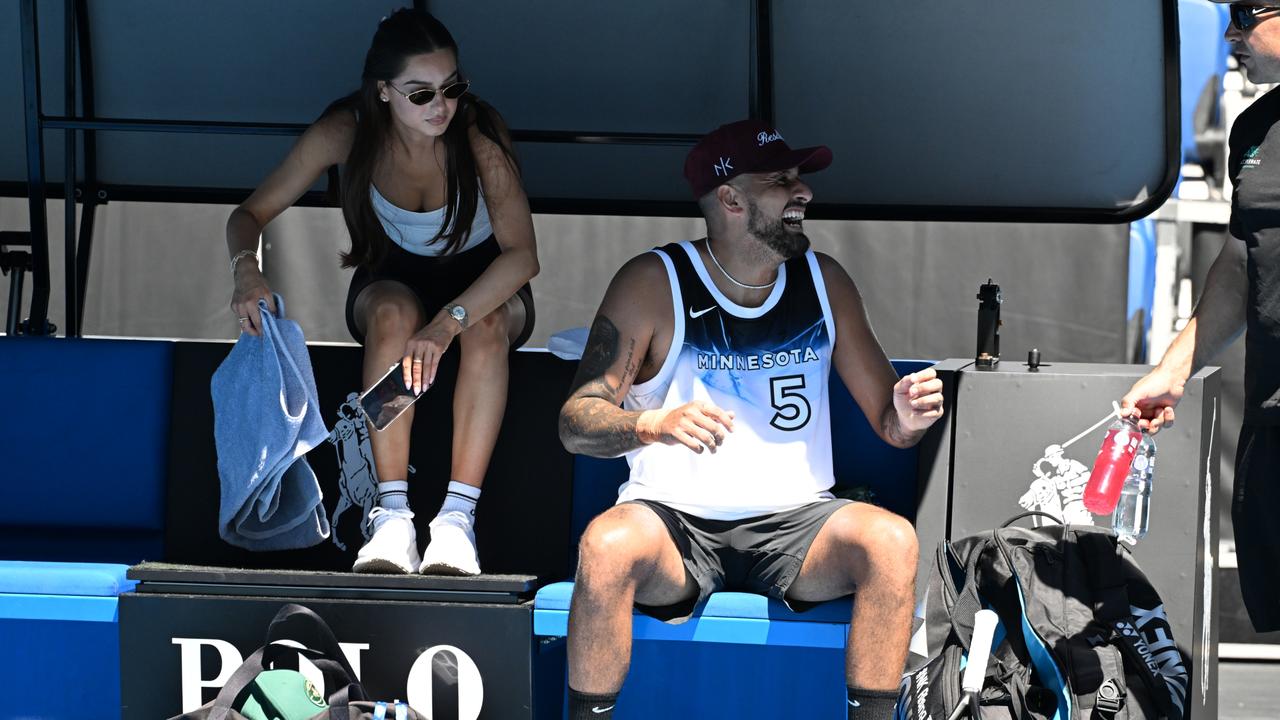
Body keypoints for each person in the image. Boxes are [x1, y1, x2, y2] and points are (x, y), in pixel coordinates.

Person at [557, 119, 945, 720]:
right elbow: (577, 421)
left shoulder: (825, 281)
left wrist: (907, 415)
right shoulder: (654, 280)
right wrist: (650, 425)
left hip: (798, 523)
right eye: (781, 180)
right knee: (605, 548)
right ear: (731, 199)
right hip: (673, 523)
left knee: (891, 542)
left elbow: (892, 429)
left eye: (800, 179)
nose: (804, 193)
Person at [226, 8, 538, 576]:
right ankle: (393, 516)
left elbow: (523, 256)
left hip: (481, 282)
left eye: (452, 88)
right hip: (390, 279)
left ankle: (455, 522)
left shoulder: (478, 136)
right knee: (393, 316)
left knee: (485, 327)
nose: (441, 106)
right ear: (383, 93)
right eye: (421, 94)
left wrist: (448, 324)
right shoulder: (345, 131)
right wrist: (248, 270)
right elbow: (250, 214)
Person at [1122, 1, 1280, 633]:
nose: (1230, 32)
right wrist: (1173, 370)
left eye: (1247, 12)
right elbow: (1242, 262)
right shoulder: (1255, 128)